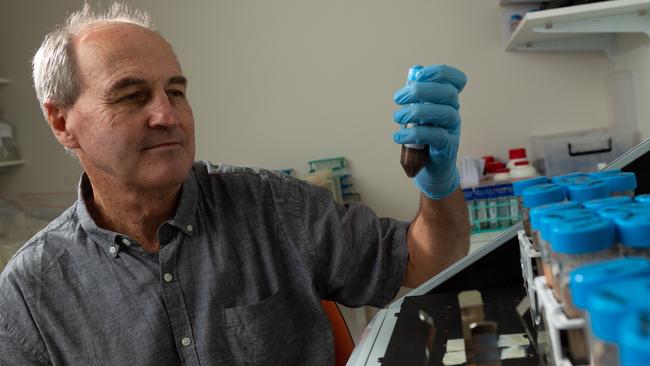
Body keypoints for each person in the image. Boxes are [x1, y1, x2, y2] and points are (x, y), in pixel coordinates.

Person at [0, 3, 469, 365]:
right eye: (131, 96)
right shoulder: (30, 294)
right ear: (61, 121)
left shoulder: (273, 208)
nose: (167, 115)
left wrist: (438, 188)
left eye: (176, 92)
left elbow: (426, 262)